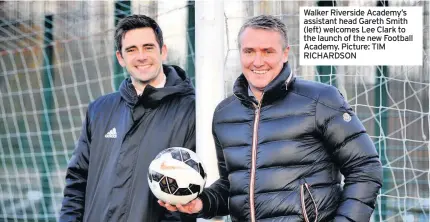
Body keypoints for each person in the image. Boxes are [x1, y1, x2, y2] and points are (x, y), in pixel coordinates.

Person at [160, 15, 383, 222]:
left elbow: (365, 167)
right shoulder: (225, 114)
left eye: (267, 51)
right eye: (249, 51)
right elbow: (233, 186)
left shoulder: (320, 100)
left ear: (285, 53)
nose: (258, 61)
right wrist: (202, 202)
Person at [60, 14, 196, 222]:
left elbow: (184, 201)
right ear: (120, 58)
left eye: (148, 47)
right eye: (131, 50)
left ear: (163, 52)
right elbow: (77, 181)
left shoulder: (192, 110)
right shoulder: (100, 110)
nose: (141, 56)